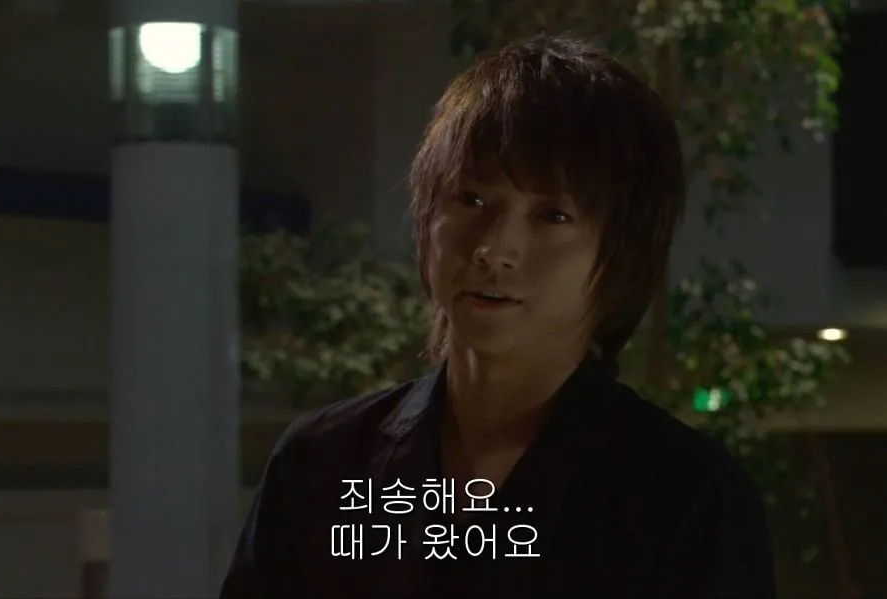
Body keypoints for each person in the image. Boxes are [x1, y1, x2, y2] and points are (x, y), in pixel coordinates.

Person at [220, 34, 776, 598]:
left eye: (553, 216)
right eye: (472, 200)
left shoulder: (684, 498)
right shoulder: (324, 463)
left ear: (622, 254)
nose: (493, 249)